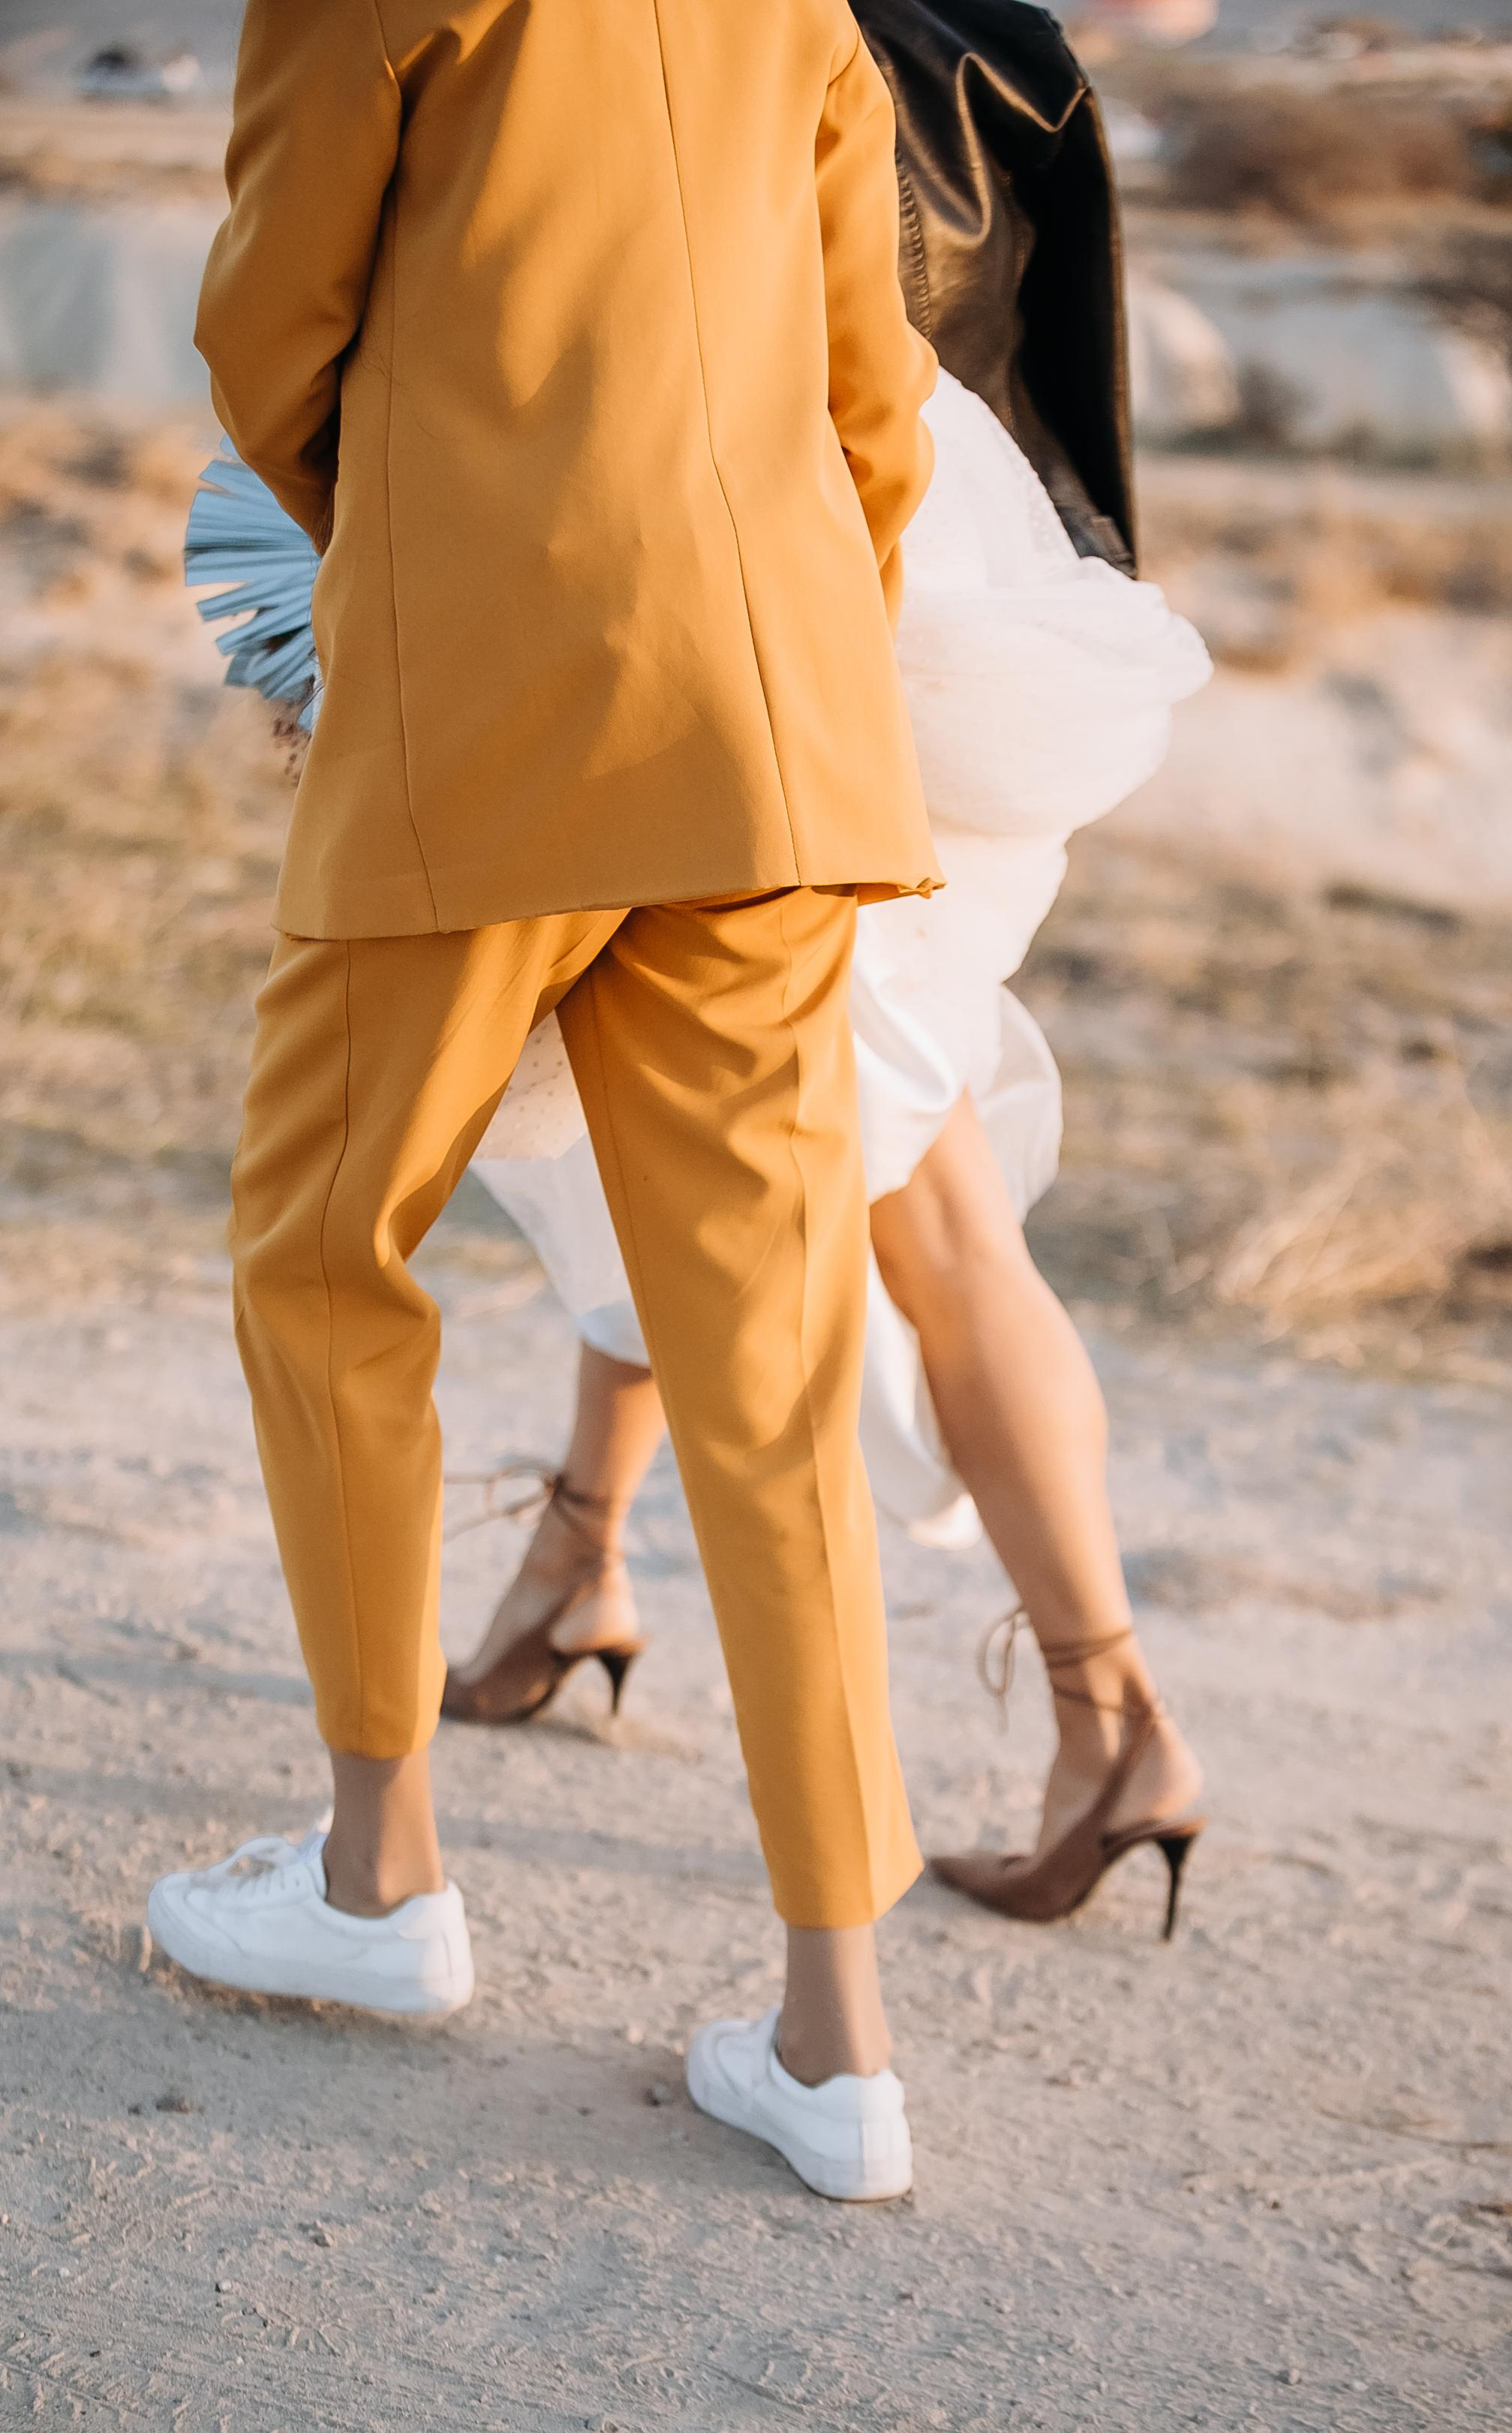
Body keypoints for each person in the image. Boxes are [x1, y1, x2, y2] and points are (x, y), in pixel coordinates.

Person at [146, 0, 953, 2208]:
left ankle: (381, 1878)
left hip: (489, 701)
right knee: (773, 1367)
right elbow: (875, 406)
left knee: (322, 1255)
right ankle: (837, 2043)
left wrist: (415, 553)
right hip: (772, 731)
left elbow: (266, 330)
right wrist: (771, 622)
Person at [443, 0, 1211, 1932]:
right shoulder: (994, 35)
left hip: (764, 618)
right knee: (647, 1123)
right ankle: (577, 1564)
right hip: (974, 623)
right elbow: (1066, 352)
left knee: (911, 1192)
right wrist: (1058, 591)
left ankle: (1111, 1718)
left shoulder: (676, 33)